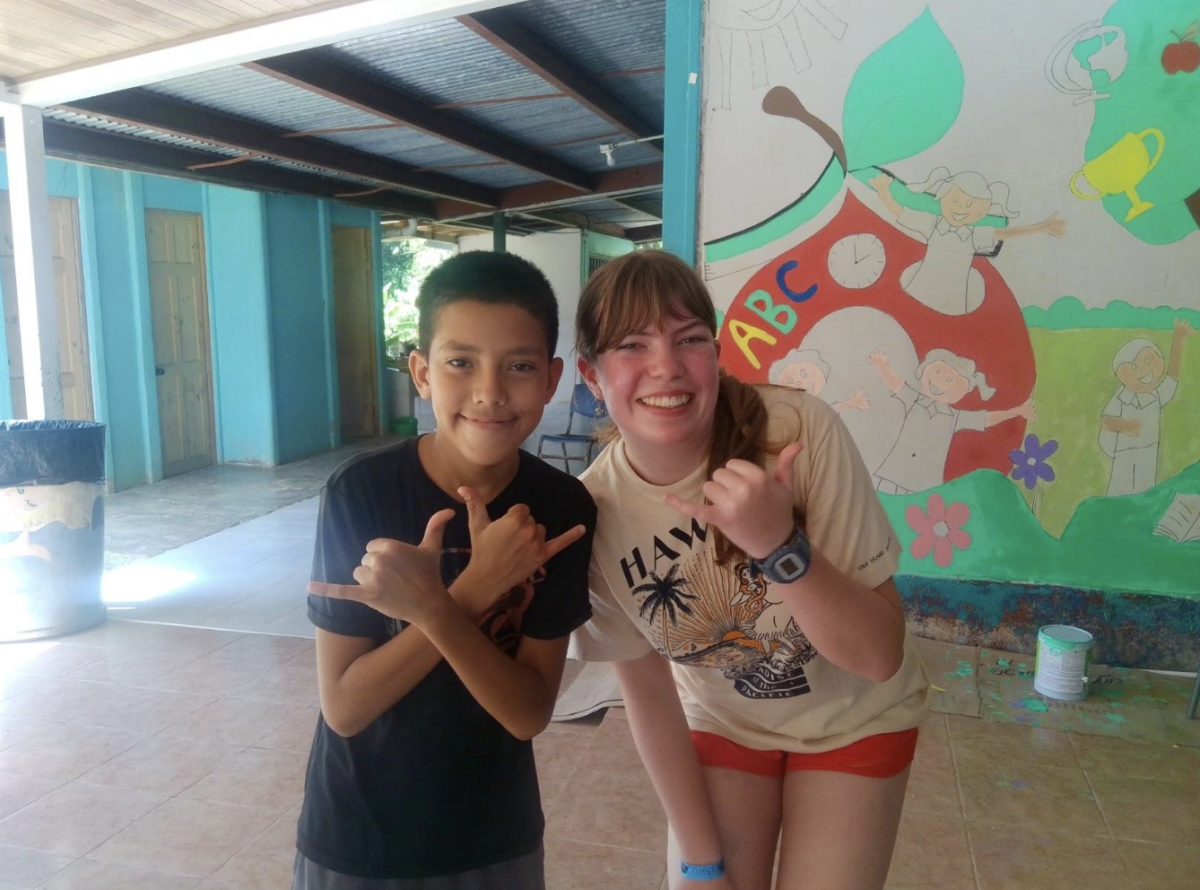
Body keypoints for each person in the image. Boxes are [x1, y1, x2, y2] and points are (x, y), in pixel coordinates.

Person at [568, 250, 929, 890]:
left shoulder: (796, 433)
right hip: (725, 723)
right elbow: (648, 693)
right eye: (632, 345)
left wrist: (777, 545)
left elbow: (878, 655)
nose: (667, 367)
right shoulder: (595, 512)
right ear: (590, 375)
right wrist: (701, 862)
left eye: (690, 339)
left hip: (856, 719)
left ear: (715, 350)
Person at [294, 251, 596, 889]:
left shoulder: (563, 510)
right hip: (359, 836)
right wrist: (472, 591)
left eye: (518, 366)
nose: (489, 391)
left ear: (551, 378)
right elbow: (345, 707)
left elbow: (527, 713)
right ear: (422, 373)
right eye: (461, 363)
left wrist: (436, 606)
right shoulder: (362, 493)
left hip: (495, 837)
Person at [869, 167, 1066, 315]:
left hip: (953, 299)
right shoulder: (933, 224)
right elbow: (900, 212)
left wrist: (1043, 227)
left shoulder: (975, 235)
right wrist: (883, 191)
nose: (961, 207)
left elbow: (1007, 233)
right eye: (955, 199)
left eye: (969, 204)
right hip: (919, 287)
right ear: (944, 195)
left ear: (982, 209)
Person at [868, 347, 1035, 494]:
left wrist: (1016, 411)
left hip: (924, 485)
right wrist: (881, 365)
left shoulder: (955, 418)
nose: (939, 380)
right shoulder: (914, 400)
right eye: (938, 372)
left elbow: (985, 419)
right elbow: (896, 384)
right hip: (893, 475)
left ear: (963, 390)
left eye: (950, 379)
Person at [1100, 319, 1193, 496]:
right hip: (1125, 451)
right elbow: (1106, 422)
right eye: (1134, 366)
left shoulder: (1156, 395)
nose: (1144, 370)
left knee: (1145, 488)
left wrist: (1178, 340)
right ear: (1120, 371)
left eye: (1149, 361)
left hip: (1149, 449)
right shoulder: (1122, 397)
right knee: (1120, 489)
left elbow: (1172, 375)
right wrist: (1125, 426)